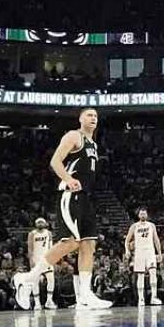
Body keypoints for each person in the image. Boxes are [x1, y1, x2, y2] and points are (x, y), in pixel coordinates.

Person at [13, 109, 112, 310]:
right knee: (70, 242)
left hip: (86, 197)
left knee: (89, 245)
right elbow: (55, 161)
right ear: (80, 119)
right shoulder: (74, 136)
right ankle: (27, 279)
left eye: (95, 116)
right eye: (89, 115)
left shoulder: (93, 144)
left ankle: (85, 295)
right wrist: (68, 179)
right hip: (70, 195)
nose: (93, 118)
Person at [125, 207, 162, 306]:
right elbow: (127, 240)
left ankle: (154, 297)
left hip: (150, 251)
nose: (143, 215)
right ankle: (141, 299)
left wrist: (159, 252)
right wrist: (127, 250)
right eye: (141, 214)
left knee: (153, 273)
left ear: (147, 215)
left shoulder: (151, 225)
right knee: (140, 276)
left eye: (144, 214)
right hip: (139, 252)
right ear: (138, 215)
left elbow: (156, 239)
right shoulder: (134, 226)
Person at [27, 218, 56, 310]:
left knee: (51, 280)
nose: (40, 224)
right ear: (36, 224)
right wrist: (31, 260)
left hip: (46, 260)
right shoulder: (32, 234)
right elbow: (30, 248)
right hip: (36, 260)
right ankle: (37, 303)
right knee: (35, 282)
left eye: (41, 222)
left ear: (45, 223)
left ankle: (49, 301)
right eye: (38, 222)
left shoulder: (49, 233)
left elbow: (51, 248)